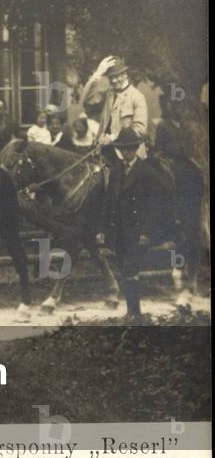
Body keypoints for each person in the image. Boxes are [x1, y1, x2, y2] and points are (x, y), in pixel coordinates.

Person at [101, 128, 174, 317]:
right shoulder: (116, 171)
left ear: (136, 149)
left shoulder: (146, 173)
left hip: (137, 231)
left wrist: (146, 232)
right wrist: (102, 228)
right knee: (124, 269)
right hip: (118, 231)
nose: (126, 152)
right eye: (123, 149)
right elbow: (109, 202)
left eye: (130, 148)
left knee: (130, 269)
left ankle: (134, 313)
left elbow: (154, 206)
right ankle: (132, 312)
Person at [83, 55, 147, 157]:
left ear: (125, 75)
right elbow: (86, 100)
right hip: (106, 153)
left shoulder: (137, 97)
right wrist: (98, 73)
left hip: (128, 156)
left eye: (117, 76)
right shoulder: (108, 94)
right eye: (111, 77)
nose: (114, 80)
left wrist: (112, 137)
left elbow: (140, 130)